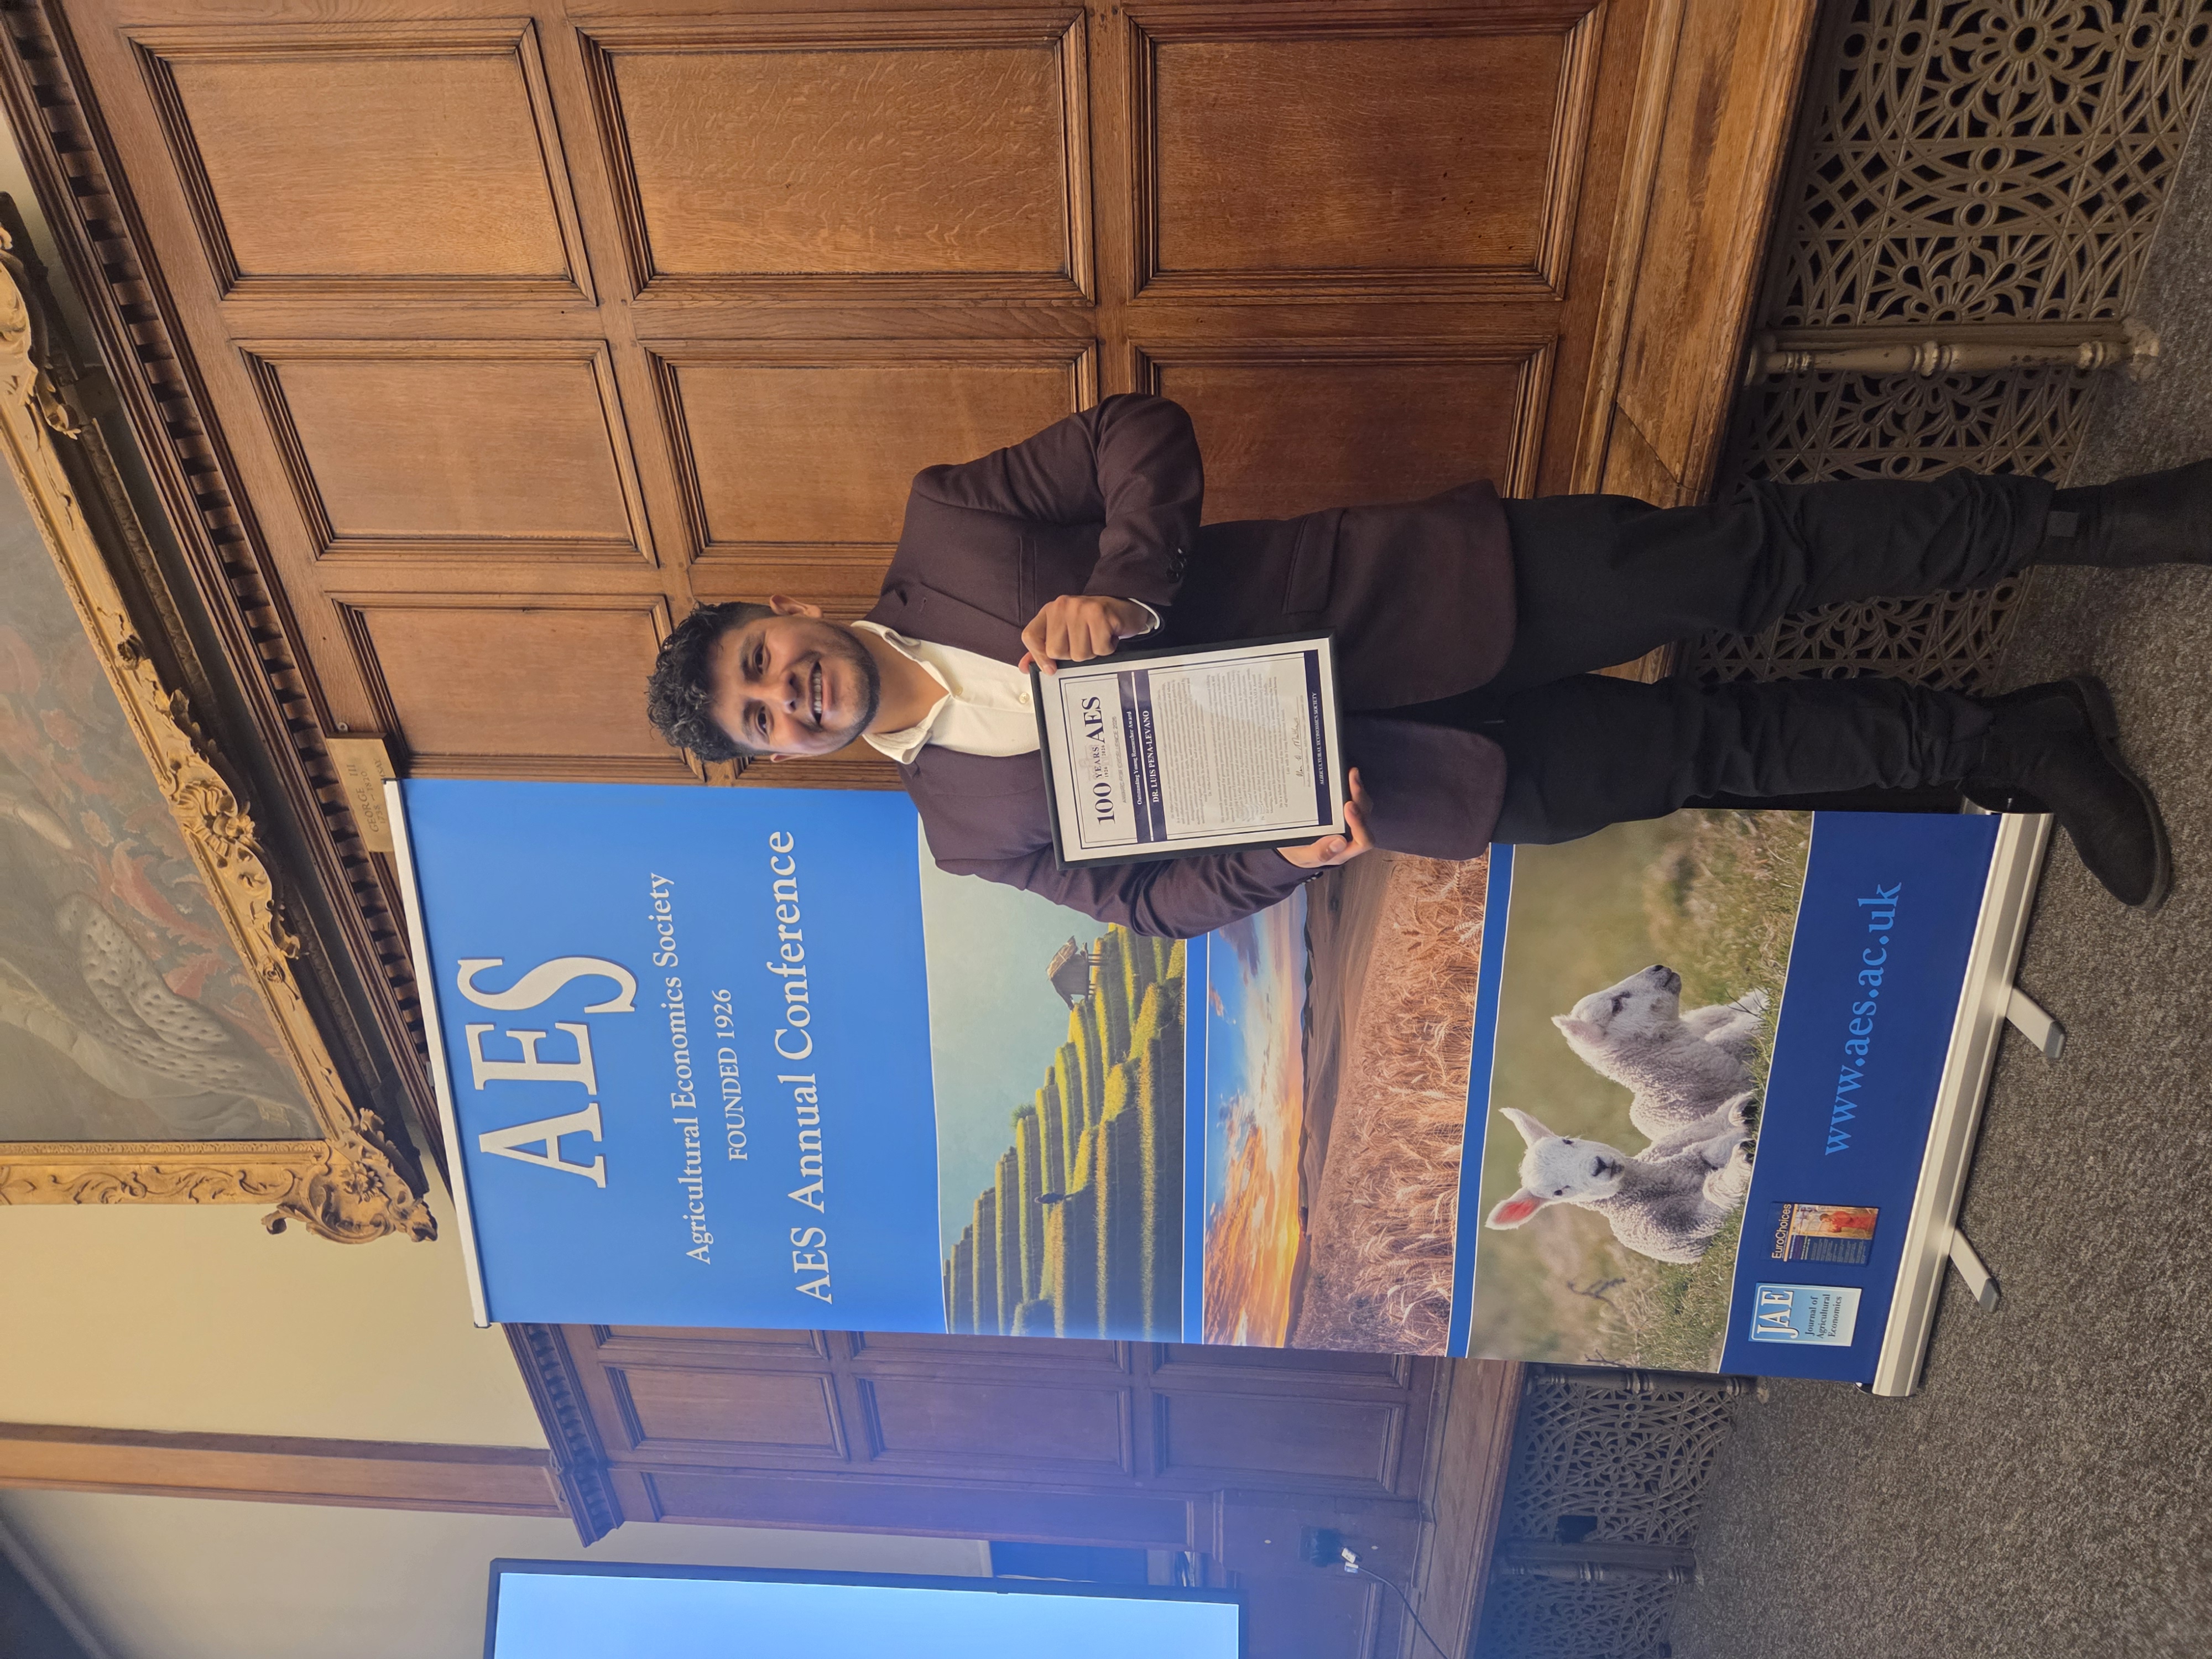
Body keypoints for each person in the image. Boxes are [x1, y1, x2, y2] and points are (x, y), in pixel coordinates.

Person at [645, 394, 2190, 937]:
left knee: (1751, 563)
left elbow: (1138, 432)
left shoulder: (953, 530)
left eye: (766, 662)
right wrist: (1278, 864)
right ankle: (2012, 744)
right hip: (1413, 785)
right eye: (765, 721)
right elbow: (1145, 905)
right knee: (1712, 756)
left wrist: (1121, 587)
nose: (790, 694)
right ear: (783, 753)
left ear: (785, 610)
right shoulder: (962, 835)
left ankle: (2088, 524)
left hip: (1440, 589)